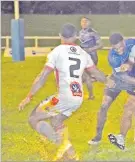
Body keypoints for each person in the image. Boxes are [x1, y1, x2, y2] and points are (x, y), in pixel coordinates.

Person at [18, 23, 109, 161]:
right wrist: (109, 80)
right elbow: (97, 74)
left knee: (33, 118)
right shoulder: (83, 53)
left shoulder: (57, 51)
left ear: (60, 35)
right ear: (76, 36)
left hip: (63, 97)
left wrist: (29, 96)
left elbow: (42, 76)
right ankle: (67, 156)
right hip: (77, 98)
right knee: (56, 121)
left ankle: (64, 147)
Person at [88, 33, 135, 145]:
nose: (119, 50)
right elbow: (125, 78)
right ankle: (98, 136)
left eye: (120, 47)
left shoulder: (133, 42)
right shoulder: (112, 57)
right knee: (103, 105)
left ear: (124, 41)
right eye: (115, 48)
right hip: (117, 80)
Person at [79, 16, 103, 100]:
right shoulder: (80, 32)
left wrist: (89, 49)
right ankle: (89, 95)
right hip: (82, 57)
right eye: (82, 21)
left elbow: (100, 45)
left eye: (86, 21)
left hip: (91, 57)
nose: (84, 23)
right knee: (83, 76)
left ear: (89, 23)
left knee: (84, 76)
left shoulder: (93, 33)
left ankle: (85, 95)